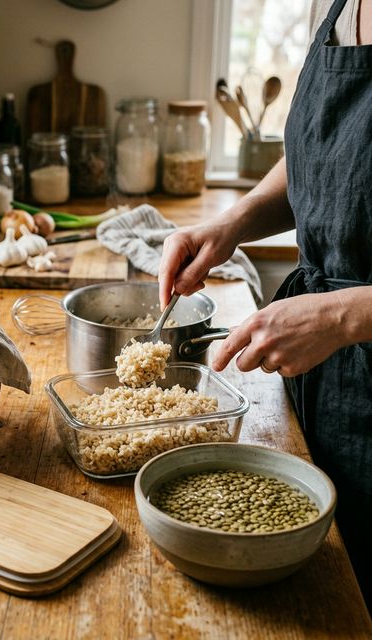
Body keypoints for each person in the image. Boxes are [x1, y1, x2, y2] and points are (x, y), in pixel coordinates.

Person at [159, 0, 372, 608]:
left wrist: (341, 316)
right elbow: (323, 159)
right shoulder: (339, 8)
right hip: (323, 379)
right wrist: (230, 224)